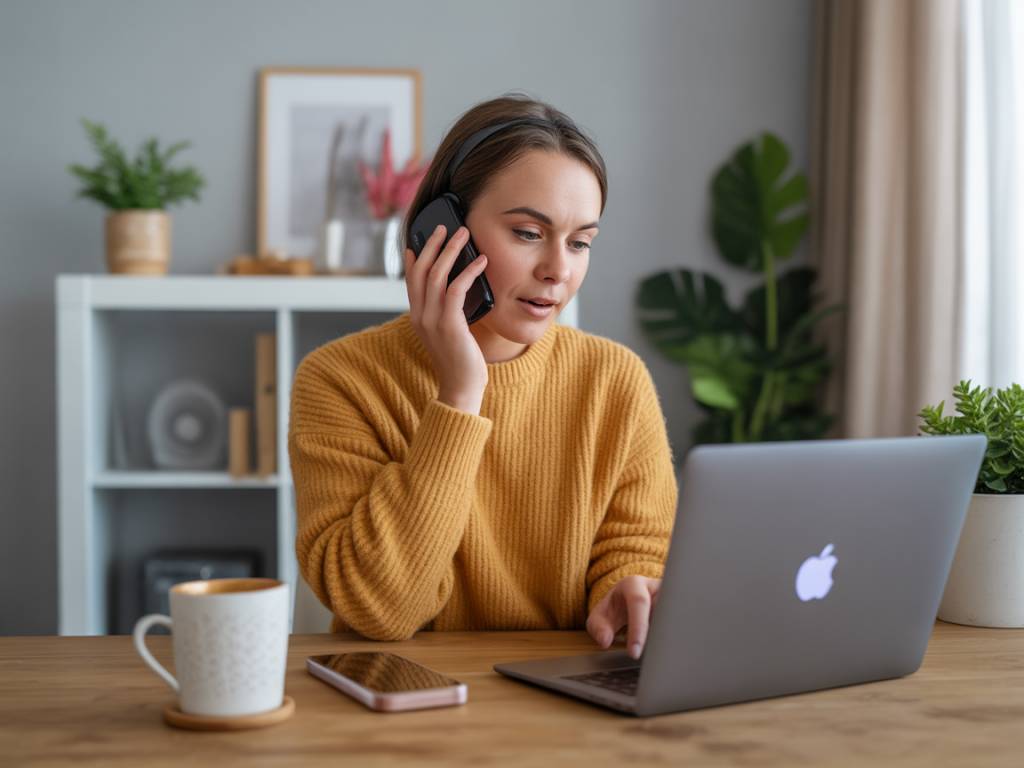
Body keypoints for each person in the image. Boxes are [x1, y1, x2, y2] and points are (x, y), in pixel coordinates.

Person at [289, 93, 677, 660]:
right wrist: (460, 394)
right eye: (527, 233)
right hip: (401, 712)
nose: (558, 271)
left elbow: (635, 555)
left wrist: (628, 591)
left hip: (567, 708)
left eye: (580, 242)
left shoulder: (615, 381)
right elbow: (381, 608)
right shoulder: (340, 380)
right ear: (441, 232)